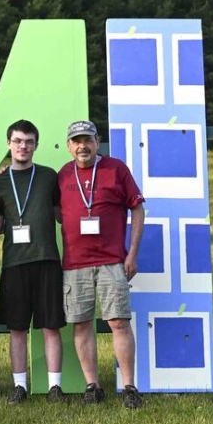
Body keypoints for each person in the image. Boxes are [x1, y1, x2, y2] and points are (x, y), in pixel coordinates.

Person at [57, 120, 146, 408]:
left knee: (119, 321)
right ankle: (92, 385)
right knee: (82, 324)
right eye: (76, 140)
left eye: (88, 140)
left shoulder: (115, 169)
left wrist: (131, 253)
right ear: (69, 146)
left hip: (111, 260)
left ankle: (129, 387)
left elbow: (137, 208)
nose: (82, 145)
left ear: (98, 142)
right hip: (75, 263)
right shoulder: (62, 175)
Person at [0, 120, 66, 403]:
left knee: (50, 326)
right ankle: (19, 386)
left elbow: (61, 215)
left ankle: (54, 387)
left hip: (46, 259)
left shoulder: (48, 176)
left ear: (36, 145)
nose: (23, 146)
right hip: (14, 263)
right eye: (18, 141)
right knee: (17, 328)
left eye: (29, 141)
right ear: (8, 144)